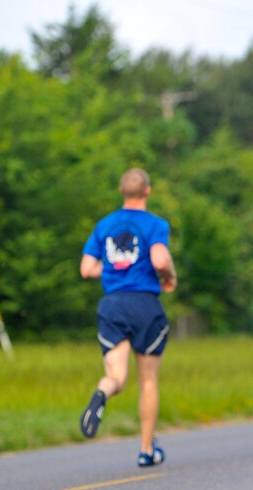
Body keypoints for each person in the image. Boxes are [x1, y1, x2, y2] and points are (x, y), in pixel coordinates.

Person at [79, 168, 178, 467]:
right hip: (144, 305)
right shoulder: (155, 224)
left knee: (117, 377)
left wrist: (111, 270)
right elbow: (159, 259)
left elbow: (86, 269)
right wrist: (170, 276)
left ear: (122, 191)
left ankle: (101, 393)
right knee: (147, 381)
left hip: (112, 305)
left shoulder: (104, 224)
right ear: (147, 191)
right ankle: (146, 450)